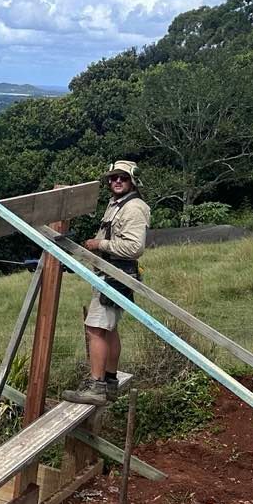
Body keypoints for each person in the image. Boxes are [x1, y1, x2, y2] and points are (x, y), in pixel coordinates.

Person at [64, 160, 151, 405]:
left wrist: (98, 244)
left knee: (95, 329)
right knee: (109, 328)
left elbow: (135, 248)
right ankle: (109, 381)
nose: (116, 181)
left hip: (116, 274)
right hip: (111, 273)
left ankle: (96, 385)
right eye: (113, 178)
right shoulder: (117, 204)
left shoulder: (133, 207)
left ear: (132, 179)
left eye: (122, 177)